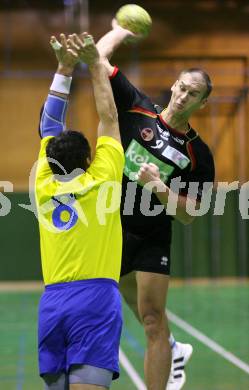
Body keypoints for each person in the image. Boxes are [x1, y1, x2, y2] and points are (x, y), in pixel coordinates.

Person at [93, 22, 215, 390]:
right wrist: (118, 31)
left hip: (151, 235)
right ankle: (176, 349)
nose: (183, 96)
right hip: (112, 226)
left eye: (193, 94)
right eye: (182, 87)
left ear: (201, 103)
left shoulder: (198, 155)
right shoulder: (137, 106)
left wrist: (160, 188)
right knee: (119, 308)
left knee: (151, 319)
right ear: (174, 85)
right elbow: (97, 58)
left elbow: (191, 214)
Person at [35, 32, 124, 390]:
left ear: (49, 160)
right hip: (96, 300)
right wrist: (95, 64)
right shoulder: (102, 179)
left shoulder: (43, 186)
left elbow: (48, 124)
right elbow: (110, 116)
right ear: (88, 160)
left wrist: (64, 67)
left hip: (52, 304)